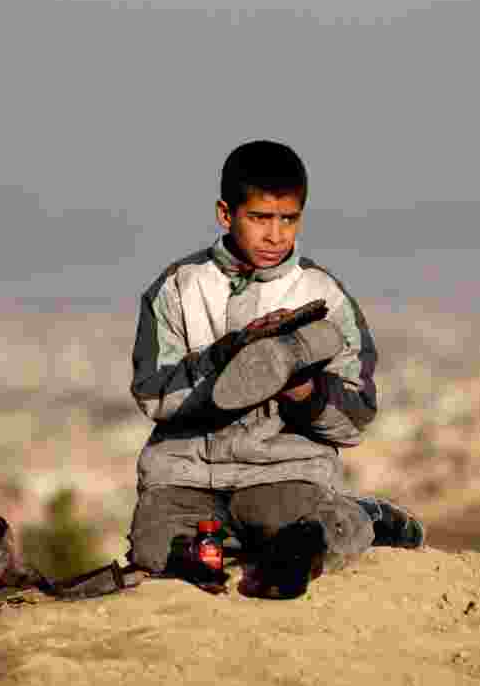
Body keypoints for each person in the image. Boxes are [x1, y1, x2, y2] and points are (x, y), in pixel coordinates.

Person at [126, 140, 423, 598]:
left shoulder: (323, 293)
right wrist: (228, 355)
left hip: (280, 471)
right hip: (186, 474)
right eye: (260, 218)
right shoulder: (176, 288)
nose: (276, 235)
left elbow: (357, 416)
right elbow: (153, 395)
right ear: (226, 214)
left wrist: (303, 391)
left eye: (289, 219)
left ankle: (364, 516)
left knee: (314, 528)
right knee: (154, 547)